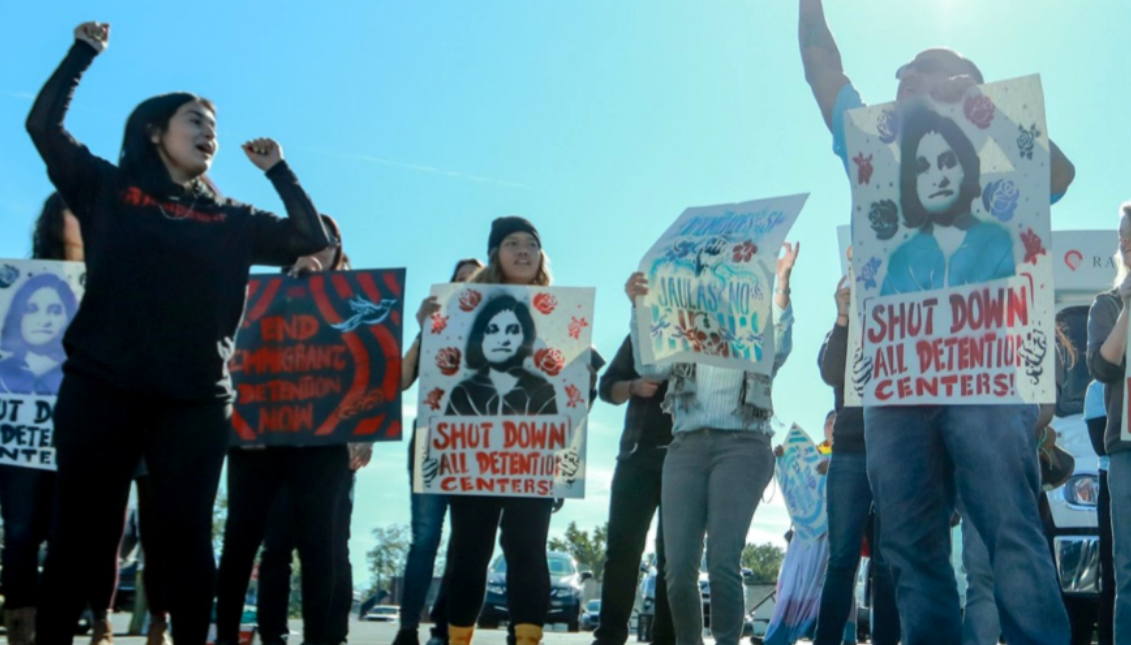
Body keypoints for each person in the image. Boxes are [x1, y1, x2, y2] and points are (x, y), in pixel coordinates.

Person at [27, 22, 333, 645]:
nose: (208, 132)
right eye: (194, 120)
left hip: (195, 400)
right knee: (79, 531)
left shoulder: (231, 218)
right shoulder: (108, 189)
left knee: (186, 536)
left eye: (213, 126)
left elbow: (310, 239)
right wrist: (82, 54)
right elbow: (43, 128)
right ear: (154, 130)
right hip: (102, 388)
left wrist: (278, 170)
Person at [798, 1, 1075, 642]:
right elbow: (820, 66)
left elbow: (1059, 174)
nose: (909, 85)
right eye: (903, 78)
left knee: (1009, 531)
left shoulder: (1003, 165)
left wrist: (985, 107)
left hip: (986, 389)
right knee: (910, 549)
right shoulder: (872, 150)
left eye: (927, 73)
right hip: (897, 394)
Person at [623, 241, 797, 645]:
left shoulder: (754, 330)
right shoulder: (684, 329)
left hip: (743, 445)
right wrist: (638, 306)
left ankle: (725, 641)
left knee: (722, 561)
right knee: (678, 565)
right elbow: (648, 365)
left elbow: (781, 347)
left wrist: (783, 284)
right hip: (686, 447)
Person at [217, 215, 363, 645]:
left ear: (339, 249)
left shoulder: (359, 301)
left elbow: (370, 369)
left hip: (322, 445)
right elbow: (231, 358)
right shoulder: (253, 295)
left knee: (320, 549)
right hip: (257, 441)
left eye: (326, 242)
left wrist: (364, 430)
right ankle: (230, 636)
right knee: (244, 541)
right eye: (306, 240)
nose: (316, 249)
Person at [444, 217, 561, 645]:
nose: (523, 250)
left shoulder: (562, 317)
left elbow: (571, 408)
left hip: (532, 471)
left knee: (528, 552)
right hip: (471, 471)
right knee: (469, 553)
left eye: (532, 243)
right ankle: (459, 638)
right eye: (512, 243)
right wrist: (429, 327)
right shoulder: (463, 389)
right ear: (495, 253)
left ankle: (527, 639)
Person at [0, 193, 82, 645]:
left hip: (82, 429)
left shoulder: (112, 279)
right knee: (20, 531)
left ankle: (57, 630)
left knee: (69, 537)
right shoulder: (18, 281)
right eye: (76, 210)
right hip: (22, 435)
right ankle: (20, 630)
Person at [391, 258, 483, 645]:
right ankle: (408, 628)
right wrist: (420, 330)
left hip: (480, 448)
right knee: (425, 538)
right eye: (458, 282)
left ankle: (446, 628)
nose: (464, 287)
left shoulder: (498, 330)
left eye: (474, 282)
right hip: (432, 441)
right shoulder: (432, 330)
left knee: (464, 543)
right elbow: (398, 381)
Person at [812, 277, 899, 645]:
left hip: (896, 449)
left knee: (888, 563)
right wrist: (843, 316)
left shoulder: (904, 319)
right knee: (842, 560)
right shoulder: (843, 330)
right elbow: (831, 372)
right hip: (849, 450)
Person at [590, 334, 675, 645]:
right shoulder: (644, 329)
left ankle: (666, 639)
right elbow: (606, 388)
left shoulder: (710, 331)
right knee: (622, 551)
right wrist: (634, 387)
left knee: (676, 558)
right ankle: (609, 636)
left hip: (688, 459)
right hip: (636, 457)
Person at [883, 108, 1014, 295]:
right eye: (923, 168)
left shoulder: (997, 243)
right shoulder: (902, 260)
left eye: (947, 162)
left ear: (966, 165)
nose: (938, 178)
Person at [1087, 202, 1131, 643]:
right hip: (1126, 450)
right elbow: (1103, 366)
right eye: (1122, 235)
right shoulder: (1105, 304)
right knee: (1128, 571)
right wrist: (1128, 303)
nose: (1125, 242)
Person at [445, 294, 557, 416]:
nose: (502, 340)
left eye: (513, 330)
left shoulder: (542, 391)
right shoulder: (462, 393)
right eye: (492, 330)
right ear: (480, 337)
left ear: (525, 337)